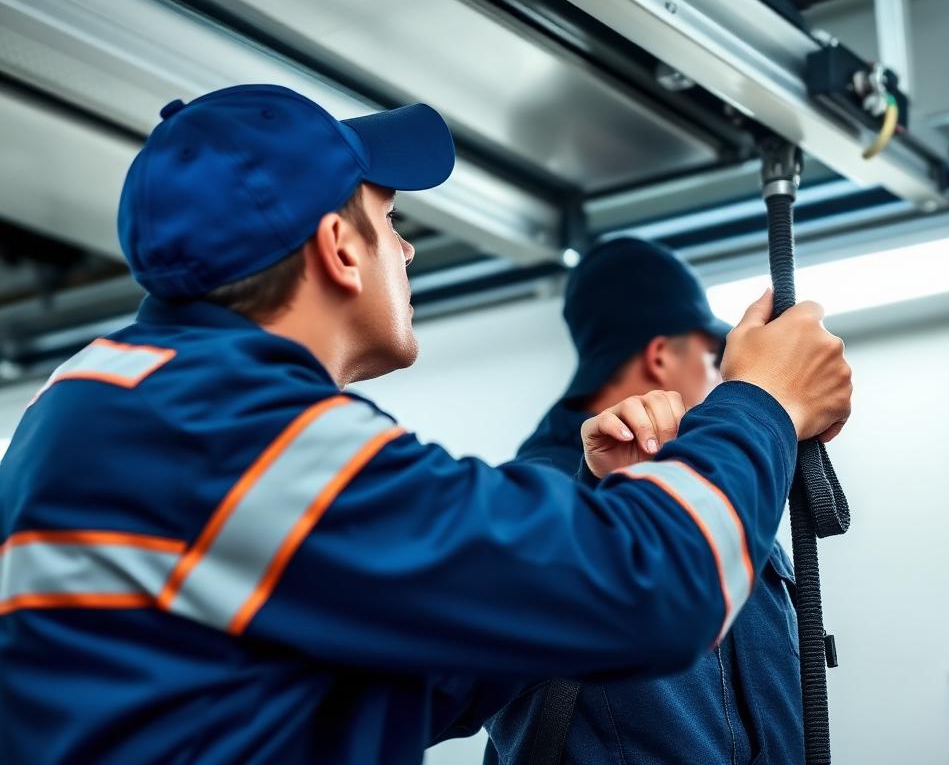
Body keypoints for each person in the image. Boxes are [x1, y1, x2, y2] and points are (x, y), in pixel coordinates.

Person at [0, 85, 852, 765]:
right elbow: (658, 589)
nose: (403, 253)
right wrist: (764, 402)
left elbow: (385, 684)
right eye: (391, 223)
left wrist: (593, 509)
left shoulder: (96, 405)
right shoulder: (237, 433)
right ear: (339, 247)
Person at [485, 238, 808, 764]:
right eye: (711, 356)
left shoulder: (706, 498)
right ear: (660, 356)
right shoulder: (533, 508)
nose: (720, 378)